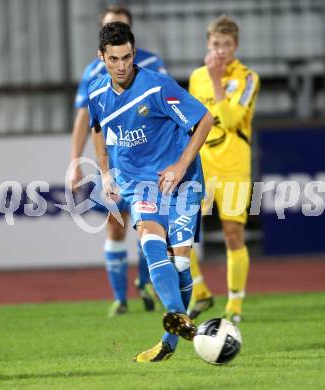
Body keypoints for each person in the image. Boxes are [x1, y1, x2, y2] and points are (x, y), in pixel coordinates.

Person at [88, 22, 213, 362]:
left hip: (181, 181)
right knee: (149, 240)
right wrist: (104, 172)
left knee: (182, 265)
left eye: (127, 57)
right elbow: (97, 127)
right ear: (101, 57)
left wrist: (181, 165)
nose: (121, 65)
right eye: (113, 59)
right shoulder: (97, 93)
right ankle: (178, 317)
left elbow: (204, 119)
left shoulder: (157, 87)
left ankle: (170, 340)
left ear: (134, 52)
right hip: (140, 184)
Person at [69, 5, 167, 317]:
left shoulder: (151, 65)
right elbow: (86, 119)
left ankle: (146, 281)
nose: (116, 33)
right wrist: (75, 160)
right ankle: (120, 297)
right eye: (110, 27)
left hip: (148, 159)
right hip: (114, 159)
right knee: (117, 224)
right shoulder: (94, 72)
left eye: (121, 27)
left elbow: (165, 108)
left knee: (149, 221)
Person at [188, 15, 260, 323]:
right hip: (202, 165)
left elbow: (230, 121)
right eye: (216, 44)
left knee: (233, 234)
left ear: (236, 46)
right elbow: (191, 121)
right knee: (182, 231)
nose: (221, 50)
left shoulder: (248, 78)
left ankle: (235, 304)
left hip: (233, 166)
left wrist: (217, 80)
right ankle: (200, 291)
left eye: (227, 45)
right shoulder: (196, 78)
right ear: (208, 44)